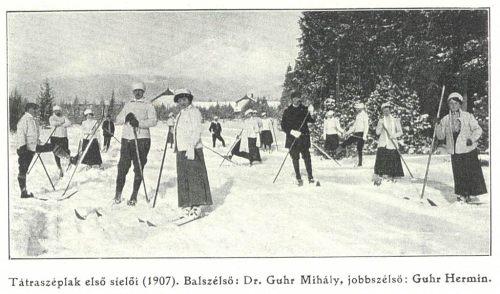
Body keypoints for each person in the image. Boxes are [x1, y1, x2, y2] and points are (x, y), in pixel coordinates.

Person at [435, 92, 487, 203]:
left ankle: (471, 195)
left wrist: (471, 139)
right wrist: (437, 126)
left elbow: (478, 130)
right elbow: (441, 136)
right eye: (451, 103)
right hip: (455, 150)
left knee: (471, 173)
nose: (453, 106)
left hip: (468, 149)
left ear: (460, 104)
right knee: (459, 174)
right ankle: (462, 194)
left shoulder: (467, 116)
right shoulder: (445, 119)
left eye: (456, 103)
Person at [113, 82, 158, 206]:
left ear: (143, 92)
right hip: (127, 139)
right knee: (122, 167)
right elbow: (118, 119)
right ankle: (118, 193)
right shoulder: (128, 105)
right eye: (135, 91)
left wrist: (138, 123)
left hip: (142, 139)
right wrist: (126, 118)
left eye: (140, 91)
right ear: (133, 92)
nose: (138, 93)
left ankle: (134, 195)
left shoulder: (148, 105)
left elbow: (154, 121)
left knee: (138, 167)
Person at [173, 88, 212, 219]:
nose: (182, 102)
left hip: (193, 149)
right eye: (179, 100)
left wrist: (191, 146)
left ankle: (197, 205)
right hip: (182, 149)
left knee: (195, 177)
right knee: (184, 177)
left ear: (189, 99)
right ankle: (186, 204)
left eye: (184, 99)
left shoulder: (194, 112)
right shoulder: (180, 114)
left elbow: (197, 130)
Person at [16, 103, 56, 198]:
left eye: (37, 109)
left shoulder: (34, 120)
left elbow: (34, 134)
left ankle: (70, 159)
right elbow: (21, 135)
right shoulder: (24, 119)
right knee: (23, 169)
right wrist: (22, 148)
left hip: (34, 146)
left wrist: (38, 141)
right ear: (28, 109)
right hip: (25, 149)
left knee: (53, 146)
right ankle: (23, 192)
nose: (36, 111)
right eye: (34, 109)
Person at [281, 92, 316, 185]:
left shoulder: (304, 109)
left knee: (307, 157)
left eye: (299, 97)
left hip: (304, 138)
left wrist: (312, 113)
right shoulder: (287, 111)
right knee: (295, 158)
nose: (298, 99)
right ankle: (298, 177)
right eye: (296, 98)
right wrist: (292, 132)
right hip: (293, 139)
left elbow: (312, 120)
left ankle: (310, 177)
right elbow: (283, 126)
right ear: (292, 99)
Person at [373, 102, 404, 185]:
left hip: (392, 143)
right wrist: (380, 126)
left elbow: (400, 132)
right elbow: (377, 133)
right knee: (382, 159)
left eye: (387, 110)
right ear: (382, 112)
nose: (386, 112)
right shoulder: (381, 121)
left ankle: (393, 176)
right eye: (384, 111)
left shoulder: (395, 120)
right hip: (383, 143)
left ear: (390, 110)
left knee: (392, 159)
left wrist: (394, 136)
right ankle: (381, 176)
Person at [337, 102, 369, 166]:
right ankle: (338, 151)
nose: (356, 109)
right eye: (356, 108)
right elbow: (354, 126)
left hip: (361, 133)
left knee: (359, 147)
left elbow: (366, 126)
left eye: (357, 108)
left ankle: (360, 163)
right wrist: (347, 132)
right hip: (356, 132)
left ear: (361, 108)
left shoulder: (365, 115)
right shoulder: (358, 116)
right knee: (349, 142)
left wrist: (364, 136)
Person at [49, 105, 72, 177]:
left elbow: (69, 123)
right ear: (54, 111)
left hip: (63, 137)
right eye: (56, 111)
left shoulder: (63, 117)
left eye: (58, 110)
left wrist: (61, 124)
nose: (57, 112)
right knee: (56, 152)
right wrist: (62, 123)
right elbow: (54, 124)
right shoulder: (52, 117)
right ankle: (59, 168)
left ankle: (69, 163)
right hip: (55, 137)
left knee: (66, 150)